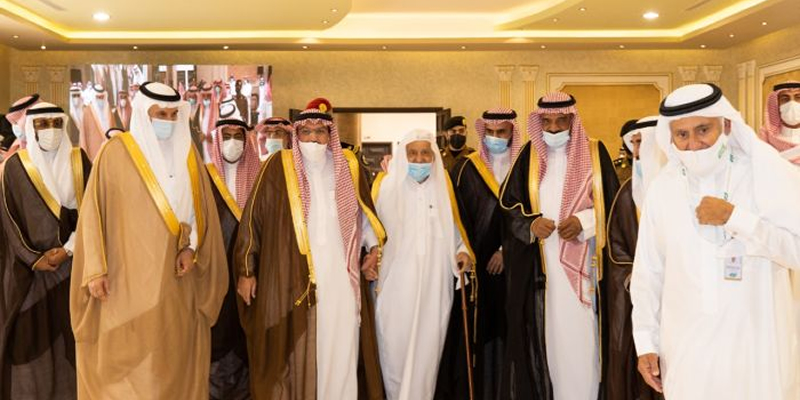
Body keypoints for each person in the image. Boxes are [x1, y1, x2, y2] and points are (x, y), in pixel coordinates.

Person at [631, 83, 800, 399]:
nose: (693, 144)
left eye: (703, 130)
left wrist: (737, 219)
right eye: (682, 134)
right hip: (684, 347)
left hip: (756, 346)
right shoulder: (662, 188)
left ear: (726, 124)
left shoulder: (762, 173)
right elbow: (648, 272)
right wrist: (645, 342)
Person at [69, 82, 229, 398]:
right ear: (144, 113)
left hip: (175, 281)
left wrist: (191, 248)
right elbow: (93, 214)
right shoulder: (114, 153)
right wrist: (96, 269)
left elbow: (198, 212)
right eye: (160, 114)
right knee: (128, 367)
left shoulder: (189, 155)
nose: (167, 121)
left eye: (172, 115)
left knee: (172, 360)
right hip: (124, 282)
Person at [234, 106, 385, 399]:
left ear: (330, 135)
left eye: (320, 132)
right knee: (296, 349)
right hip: (291, 275)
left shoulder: (347, 166)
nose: (313, 139)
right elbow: (253, 220)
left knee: (341, 343)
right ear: (296, 135)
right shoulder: (278, 166)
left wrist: (373, 247)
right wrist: (246, 269)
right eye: (306, 132)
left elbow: (363, 215)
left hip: (341, 278)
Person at [498, 92, 619, 399]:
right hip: (541, 269)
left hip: (585, 266)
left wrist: (584, 222)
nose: (553, 129)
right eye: (547, 122)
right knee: (547, 339)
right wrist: (531, 224)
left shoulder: (594, 152)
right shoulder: (529, 155)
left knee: (584, 340)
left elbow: (613, 204)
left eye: (561, 121)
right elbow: (509, 205)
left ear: (572, 121)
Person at [372, 129, 473, 400]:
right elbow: (371, 233)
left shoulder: (444, 191)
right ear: (403, 156)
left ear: (434, 156)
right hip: (395, 287)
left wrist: (463, 253)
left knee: (428, 354)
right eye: (412, 153)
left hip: (434, 287)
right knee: (394, 349)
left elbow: (457, 234)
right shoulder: (386, 188)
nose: (419, 159)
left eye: (425, 153)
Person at [0, 102, 91, 399]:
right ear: (31, 127)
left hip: (75, 271)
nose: (50, 130)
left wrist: (68, 249)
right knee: (30, 348)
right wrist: (33, 258)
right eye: (42, 124)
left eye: (55, 123)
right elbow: (9, 220)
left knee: (74, 346)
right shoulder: (15, 166)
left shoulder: (79, 161)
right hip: (32, 276)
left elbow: (94, 213)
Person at [438, 107, 522, 399]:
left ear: (512, 132)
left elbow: (530, 214)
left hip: (514, 264)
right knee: (476, 331)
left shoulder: (525, 167)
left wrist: (506, 250)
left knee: (511, 329)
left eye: (502, 132)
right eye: (491, 132)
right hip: (475, 265)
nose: (496, 137)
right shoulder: (466, 167)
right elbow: (455, 216)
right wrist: (466, 252)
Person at [605, 115, 661, 400]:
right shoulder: (627, 192)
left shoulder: (680, 190)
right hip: (636, 295)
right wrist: (632, 275)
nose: (635, 150)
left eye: (641, 142)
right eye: (633, 143)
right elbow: (615, 246)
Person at [205, 118, 261, 399]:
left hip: (252, 273)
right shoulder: (205, 177)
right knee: (217, 335)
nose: (233, 142)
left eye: (238, 136)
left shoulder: (260, 176)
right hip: (214, 273)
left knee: (247, 338)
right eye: (226, 136)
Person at [759, 81, 800, 164]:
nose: (792, 103)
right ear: (776, 105)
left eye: (798, 98)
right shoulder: (765, 137)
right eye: (785, 99)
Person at [80, 84, 112, 160]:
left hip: (108, 153)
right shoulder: (87, 111)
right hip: (93, 154)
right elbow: (83, 136)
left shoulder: (109, 111)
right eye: (98, 97)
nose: (100, 100)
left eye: (102, 97)